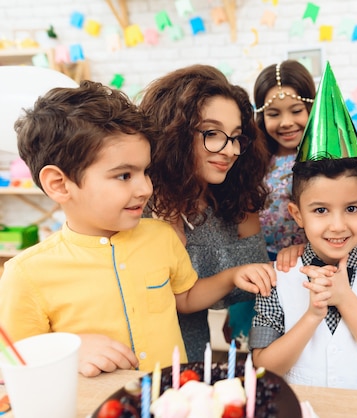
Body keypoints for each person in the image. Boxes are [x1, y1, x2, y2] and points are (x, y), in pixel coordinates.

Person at [0, 81, 275, 377]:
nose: (145, 188)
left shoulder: (161, 236)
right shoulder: (26, 274)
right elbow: (10, 363)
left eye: (145, 172)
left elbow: (185, 297)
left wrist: (231, 276)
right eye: (124, 175)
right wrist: (71, 348)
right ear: (59, 184)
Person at [250, 63, 357, 391]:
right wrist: (312, 315)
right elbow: (265, 368)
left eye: (351, 209)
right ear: (297, 215)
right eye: (321, 210)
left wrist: (345, 298)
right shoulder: (276, 279)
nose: (337, 226)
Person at [140, 65, 272, 362]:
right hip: (136, 356)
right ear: (173, 133)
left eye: (235, 136)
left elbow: (253, 284)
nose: (229, 150)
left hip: (194, 355)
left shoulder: (235, 197)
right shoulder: (138, 203)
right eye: (212, 133)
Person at [253, 60, 316, 260]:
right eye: (274, 114)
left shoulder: (327, 160)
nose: (286, 122)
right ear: (263, 117)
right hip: (265, 262)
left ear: (311, 108)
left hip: (315, 261)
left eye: (296, 111)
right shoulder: (254, 161)